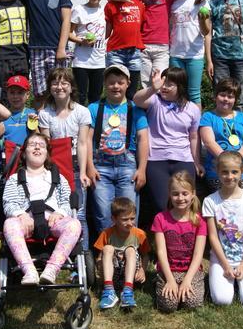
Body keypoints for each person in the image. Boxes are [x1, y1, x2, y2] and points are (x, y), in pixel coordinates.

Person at [2, 132, 82, 285]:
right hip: (26, 223)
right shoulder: (14, 179)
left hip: (54, 222)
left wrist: (60, 213)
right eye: (32, 144)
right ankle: (29, 271)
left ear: (47, 154)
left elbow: (67, 202)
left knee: (74, 224)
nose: (37, 147)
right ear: (24, 153)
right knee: (9, 224)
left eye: (42, 145)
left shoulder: (58, 178)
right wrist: (20, 215)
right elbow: (9, 203)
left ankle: (52, 269)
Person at [87, 64, 149, 235]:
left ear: (128, 83)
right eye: (111, 82)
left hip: (127, 165)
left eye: (120, 82)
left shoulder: (135, 109)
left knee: (129, 212)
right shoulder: (94, 108)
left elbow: (143, 139)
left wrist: (142, 169)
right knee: (103, 212)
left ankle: (130, 247)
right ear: (105, 84)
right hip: (100, 167)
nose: (116, 86)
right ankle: (107, 247)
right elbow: (87, 139)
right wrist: (90, 166)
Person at [133, 67, 202, 215]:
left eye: (170, 84)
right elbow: (137, 99)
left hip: (183, 159)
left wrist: (197, 162)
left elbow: (194, 137)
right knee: (163, 205)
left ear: (180, 86)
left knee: (185, 204)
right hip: (156, 160)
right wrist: (153, 88)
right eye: (163, 83)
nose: (164, 87)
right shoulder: (155, 101)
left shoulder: (192, 109)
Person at [38, 67, 92, 246]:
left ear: (71, 87)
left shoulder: (82, 111)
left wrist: (83, 172)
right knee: (57, 210)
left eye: (64, 83)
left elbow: (83, 143)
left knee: (79, 212)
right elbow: (46, 144)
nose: (59, 87)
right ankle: (60, 249)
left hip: (76, 163)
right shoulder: (45, 114)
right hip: (55, 166)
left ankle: (83, 251)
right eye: (55, 83)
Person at [203, 151, 243, 307]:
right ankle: (223, 280)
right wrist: (225, 265)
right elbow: (213, 237)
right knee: (222, 300)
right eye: (225, 172)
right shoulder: (210, 201)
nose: (230, 176)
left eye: (234, 172)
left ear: (242, 171)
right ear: (217, 172)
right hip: (221, 259)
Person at [151, 171, 207, 313]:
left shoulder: (199, 221)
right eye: (175, 194)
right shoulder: (160, 218)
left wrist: (187, 280)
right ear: (170, 195)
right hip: (168, 270)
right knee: (168, 306)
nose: (180, 198)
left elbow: (198, 254)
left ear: (192, 194)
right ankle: (159, 281)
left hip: (191, 271)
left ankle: (188, 286)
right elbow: (161, 252)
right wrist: (170, 280)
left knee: (192, 303)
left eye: (184, 193)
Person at [199, 77, 243, 195]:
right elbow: (209, 142)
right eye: (222, 95)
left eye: (230, 97)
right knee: (222, 204)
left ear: (235, 100)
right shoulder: (208, 117)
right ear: (215, 96)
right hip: (218, 172)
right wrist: (227, 161)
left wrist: (237, 158)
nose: (226, 99)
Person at [93, 197, 149, 310]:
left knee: (130, 250)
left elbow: (145, 255)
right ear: (114, 219)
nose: (130, 223)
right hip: (111, 275)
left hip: (131, 275)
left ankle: (127, 292)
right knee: (107, 248)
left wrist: (142, 270)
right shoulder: (107, 233)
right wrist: (100, 269)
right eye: (125, 219)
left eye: (132, 218)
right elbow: (99, 257)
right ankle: (109, 291)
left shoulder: (139, 234)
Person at [169, 0, 212, 105]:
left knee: (194, 93)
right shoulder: (174, 3)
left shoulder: (202, 3)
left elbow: (206, 31)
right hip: (176, 54)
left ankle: (196, 120)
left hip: (194, 55)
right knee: (176, 92)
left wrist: (202, 20)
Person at [69, 0, 107, 105]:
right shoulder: (79, 10)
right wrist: (81, 41)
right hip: (80, 62)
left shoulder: (105, 10)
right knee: (79, 96)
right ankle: (79, 118)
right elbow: (68, 33)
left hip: (99, 61)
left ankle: (93, 118)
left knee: (95, 97)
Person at [138, 0, 174, 89]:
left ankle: (159, 102)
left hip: (162, 49)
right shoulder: (140, 0)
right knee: (146, 83)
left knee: (159, 81)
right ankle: (147, 102)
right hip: (144, 48)